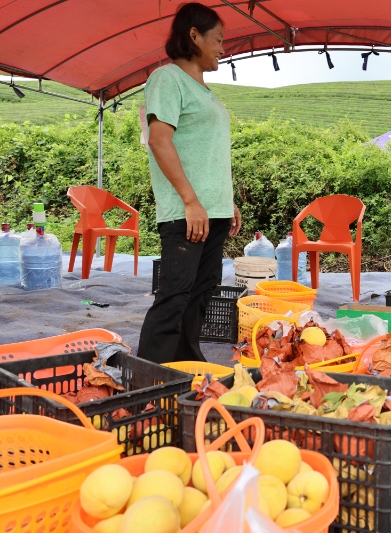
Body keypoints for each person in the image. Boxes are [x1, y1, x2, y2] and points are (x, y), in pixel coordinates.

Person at [138, 3, 241, 364]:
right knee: (175, 296)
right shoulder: (167, 78)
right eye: (218, 39)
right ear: (193, 35)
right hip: (187, 210)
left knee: (201, 294)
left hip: (212, 209)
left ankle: (185, 368)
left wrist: (225, 202)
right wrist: (191, 200)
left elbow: (205, 153)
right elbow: (159, 140)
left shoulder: (205, 92)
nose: (222, 48)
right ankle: (148, 378)